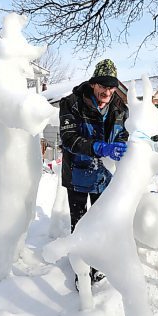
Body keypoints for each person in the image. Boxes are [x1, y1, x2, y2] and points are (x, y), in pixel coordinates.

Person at [59, 59, 129, 287]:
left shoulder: (120, 108)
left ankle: (97, 265)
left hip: (104, 177)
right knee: (79, 223)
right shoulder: (71, 103)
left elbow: (124, 135)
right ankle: (81, 270)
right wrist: (97, 147)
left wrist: (120, 145)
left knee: (101, 223)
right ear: (93, 84)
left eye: (111, 86)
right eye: (102, 85)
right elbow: (69, 138)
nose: (107, 91)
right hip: (78, 173)